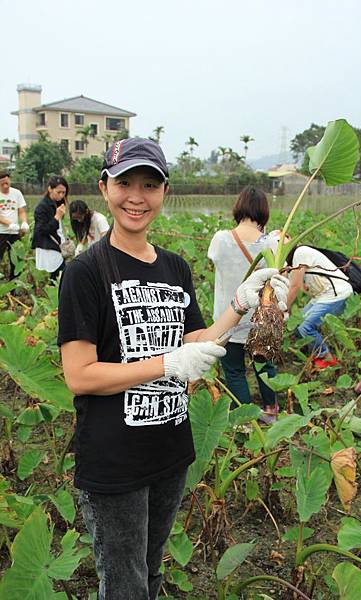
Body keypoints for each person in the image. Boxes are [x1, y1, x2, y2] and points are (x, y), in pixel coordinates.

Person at [57, 137, 289, 600]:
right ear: (105, 188)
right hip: (115, 459)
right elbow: (79, 374)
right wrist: (165, 364)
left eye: (149, 184)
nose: (136, 197)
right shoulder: (86, 272)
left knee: (152, 571)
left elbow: (192, 341)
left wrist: (239, 306)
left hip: (169, 449)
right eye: (125, 183)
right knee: (124, 585)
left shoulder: (174, 268)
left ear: (164, 192)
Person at [208, 186, 282, 424]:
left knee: (234, 371)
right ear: (263, 212)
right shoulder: (270, 243)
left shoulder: (221, 239)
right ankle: (271, 410)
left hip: (228, 317)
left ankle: (247, 420)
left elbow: (214, 262)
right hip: (260, 320)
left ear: (238, 208)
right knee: (264, 366)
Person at [285, 245, 353, 369]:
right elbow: (289, 287)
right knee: (296, 323)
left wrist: (281, 310)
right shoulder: (289, 263)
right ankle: (311, 354)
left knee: (305, 326)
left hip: (336, 294)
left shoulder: (300, 252)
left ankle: (326, 358)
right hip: (321, 296)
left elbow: (294, 287)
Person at [32, 176, 69, 280]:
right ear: (50, 189)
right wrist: (57, 217)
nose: (61, 195)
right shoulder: (42, 207)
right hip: (47, 248)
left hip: (56, 247)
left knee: (57, 279)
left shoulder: (56, 204)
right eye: (59, 192)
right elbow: (41, 230)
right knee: (54, 280)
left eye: (64, 192)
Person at [0, 170, 29, 279]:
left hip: (14, 233)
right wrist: (10, 223)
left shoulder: (16, 193)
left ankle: (14, 286)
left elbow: (21, 211)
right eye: (2, 184)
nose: (5, 186)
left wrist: (24, 222)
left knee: (17, 260)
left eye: (7, 183)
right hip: (1, 232)